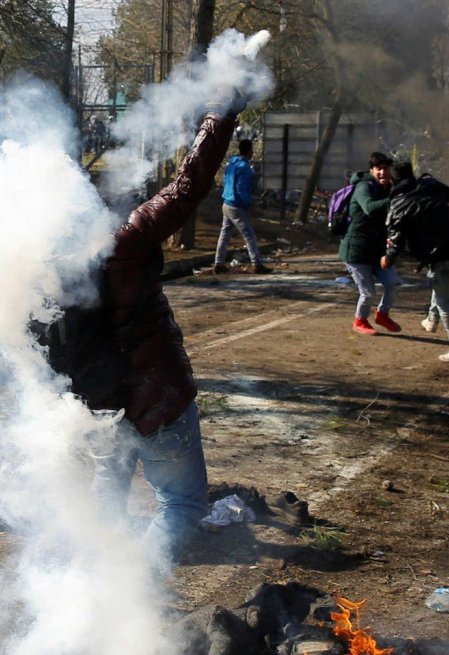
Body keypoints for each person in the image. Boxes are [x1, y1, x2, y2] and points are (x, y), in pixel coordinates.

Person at [85, 94, 254, 561]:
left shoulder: (38, 263)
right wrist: (219, 116)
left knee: (106, 499)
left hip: (97, 402)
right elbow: (187, 186)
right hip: (155, 394)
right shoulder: (126, 240)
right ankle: (131, 589)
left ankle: (92, 587)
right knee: (181, 503)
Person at [382, 162, 449, 363]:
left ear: (393, 181)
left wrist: (388, 258)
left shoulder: (398, 204)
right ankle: (431, 319)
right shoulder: (431, 185)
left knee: (444, 299)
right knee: (438, 283)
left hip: (440, 256)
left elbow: (396, 240)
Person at [341, 152, 400, 335]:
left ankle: (382, 314)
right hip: (356, 251)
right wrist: (395, 200)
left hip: (377, 250)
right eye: (379, 169)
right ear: (372, 170)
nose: (383, 172)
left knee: (393, 283)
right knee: (368, 292)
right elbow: (369, 207)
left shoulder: (389, 188)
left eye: (386, 168)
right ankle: (360, 321)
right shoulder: (363, 187)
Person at [212, 139, 271, 274]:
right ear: (250, 151)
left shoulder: (231, 164)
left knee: (224, 234)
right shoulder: (245, 168)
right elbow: (242, 189)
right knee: (248, 234)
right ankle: (257, 264)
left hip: (226, 203)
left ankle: (219, 263)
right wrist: (249, 206)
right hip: (237, 206)